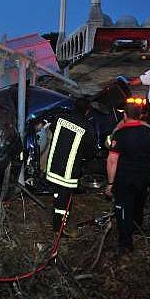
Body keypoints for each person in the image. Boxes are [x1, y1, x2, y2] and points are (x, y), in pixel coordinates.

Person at [105, 102, 150, 255]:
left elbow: (112, 160)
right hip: (143, 177)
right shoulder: (149, 132)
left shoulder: (120, 133)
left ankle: (126, 243)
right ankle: (137, 227)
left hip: (124, 180)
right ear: (141, 115)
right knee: (139, 203)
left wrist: (110, 183)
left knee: (123, 209)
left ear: (124, 115)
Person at [46, 97, 95, 237]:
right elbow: (90, 151)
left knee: (57, 193)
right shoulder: (87, 127)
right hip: (68, 172)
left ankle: (56, 210)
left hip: (53, 165)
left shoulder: (60, 118)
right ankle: (59, 229)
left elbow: (52, 129)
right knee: (64, 200)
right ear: (87, 111)